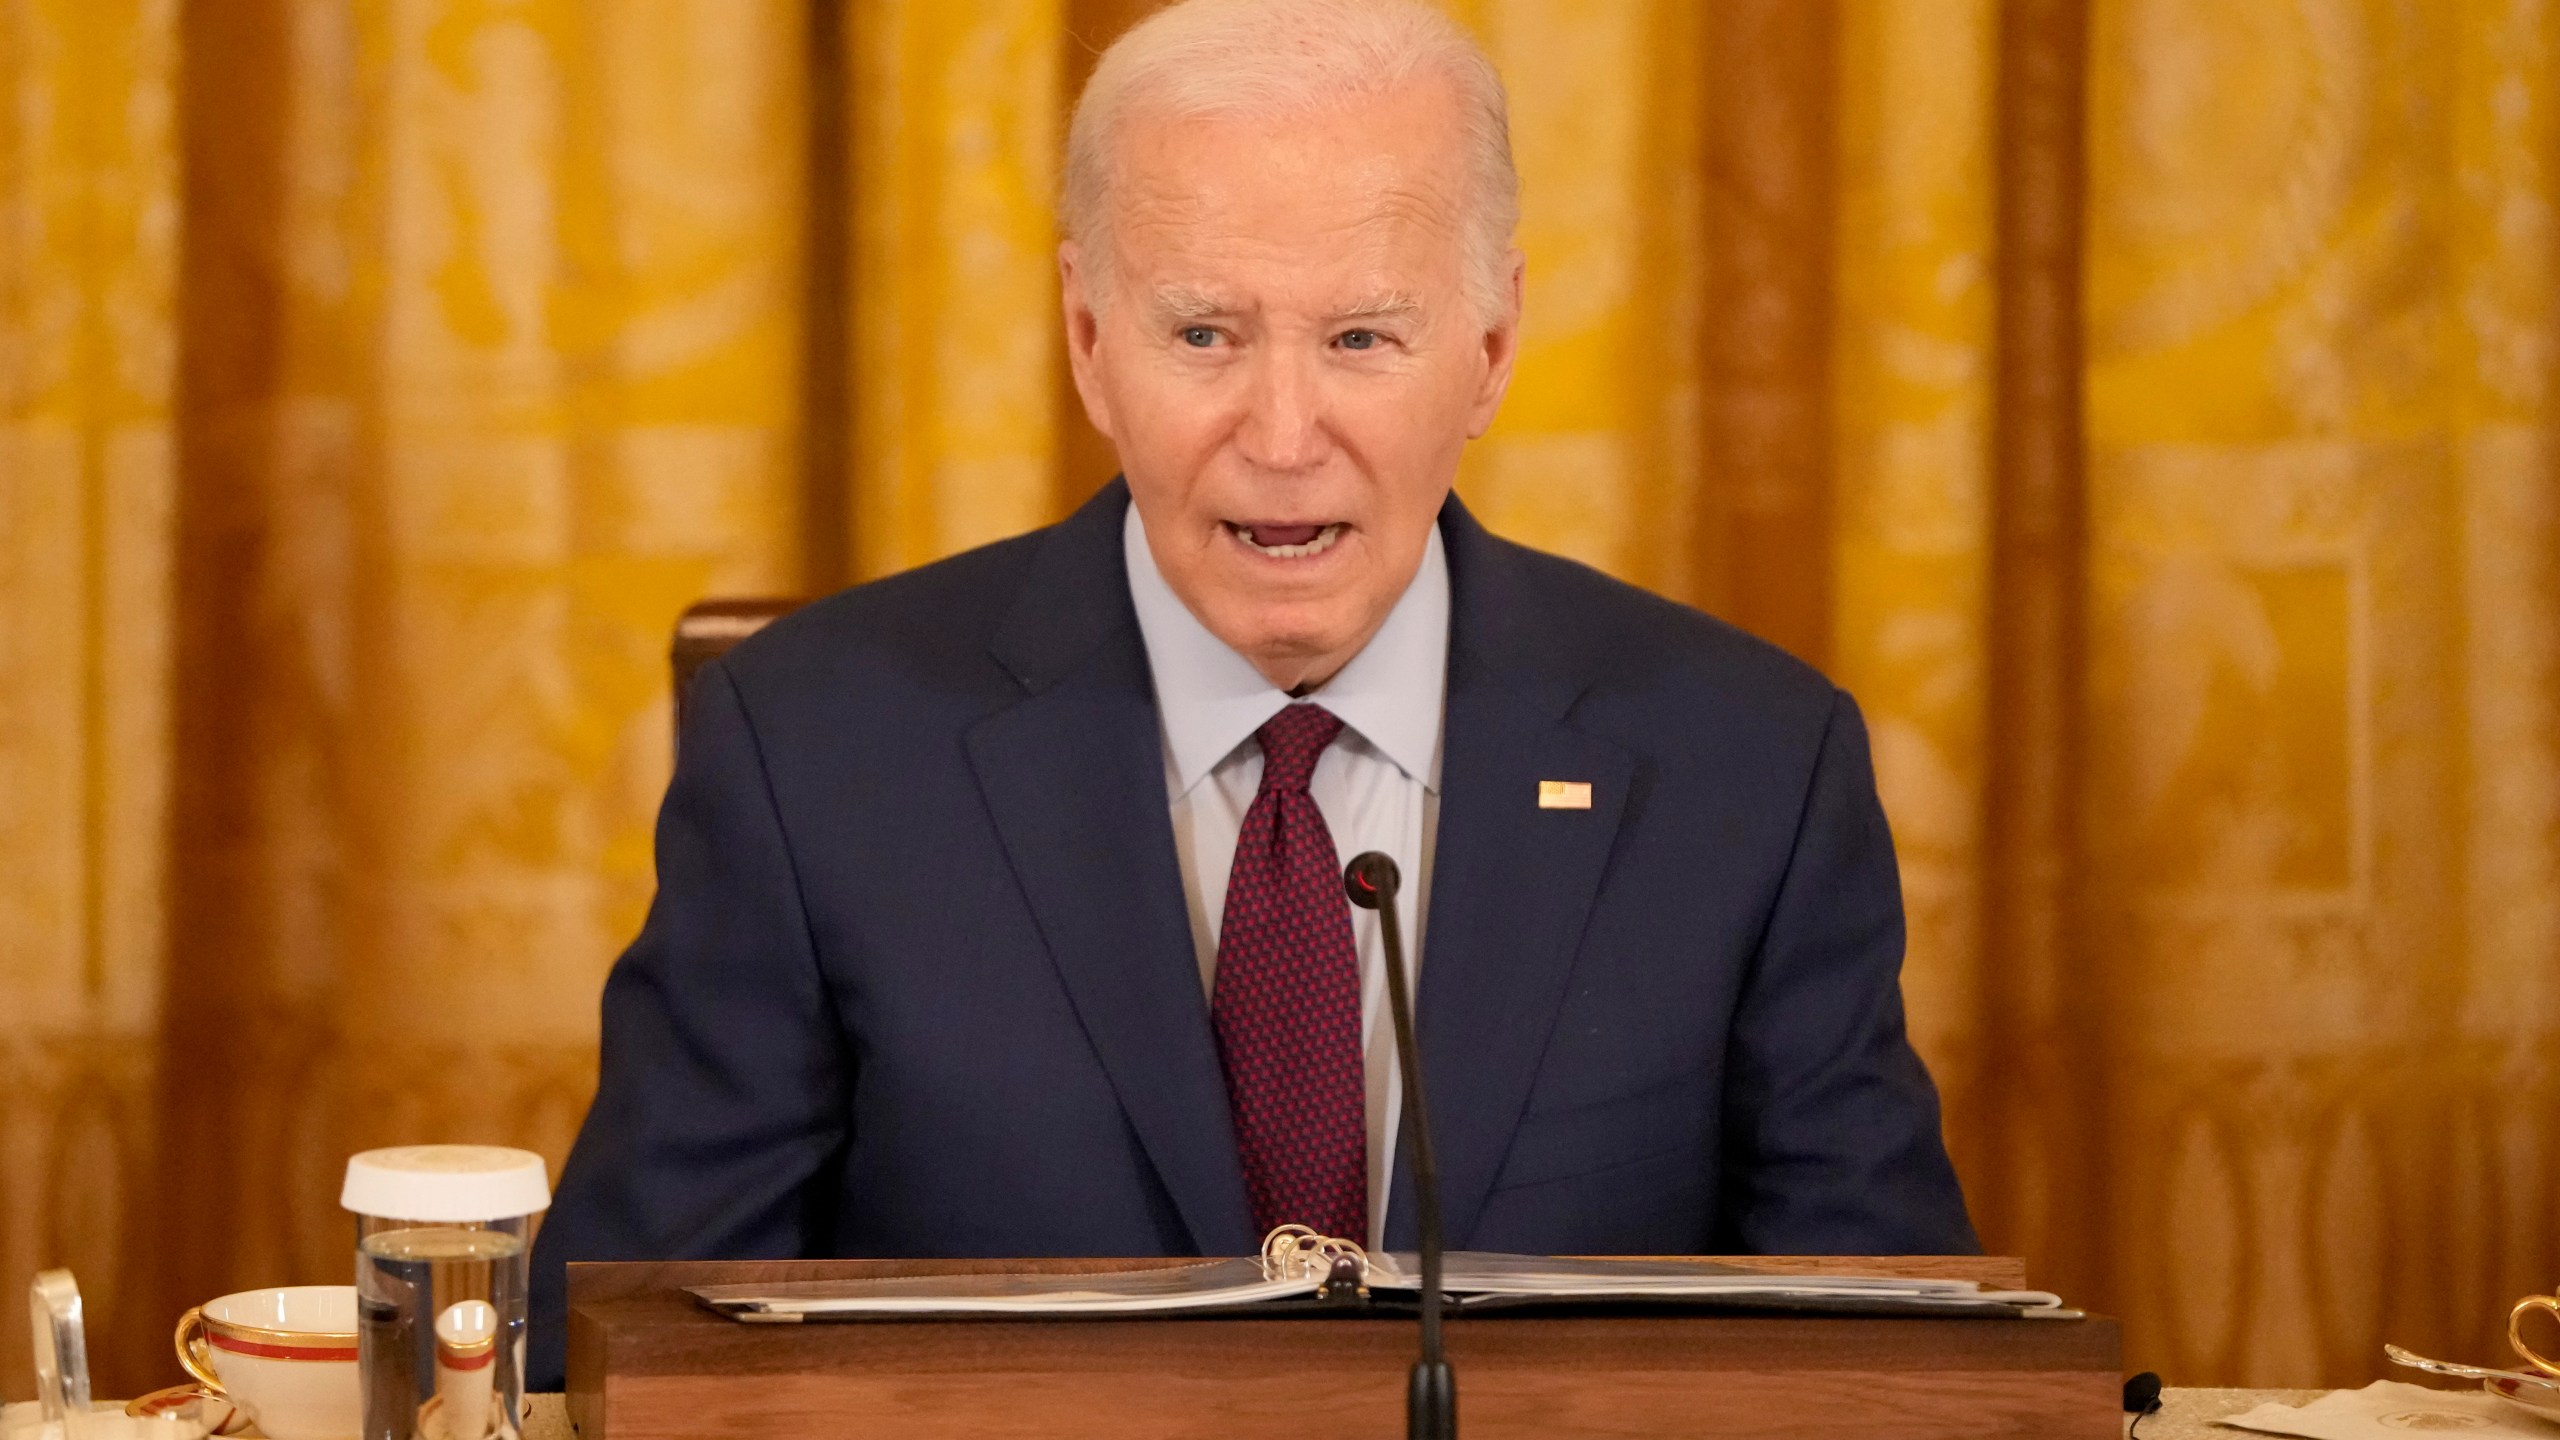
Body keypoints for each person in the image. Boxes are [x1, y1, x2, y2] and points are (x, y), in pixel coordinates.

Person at [527, 0, 1974, 1391]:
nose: (1284, 438)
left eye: (1362, 338)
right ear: (1090, 339)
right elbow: (624, 1359)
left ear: (1492, 346)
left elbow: (1898, 1374)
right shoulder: (816, 753)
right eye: (1205, 334)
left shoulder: (1747, 770)